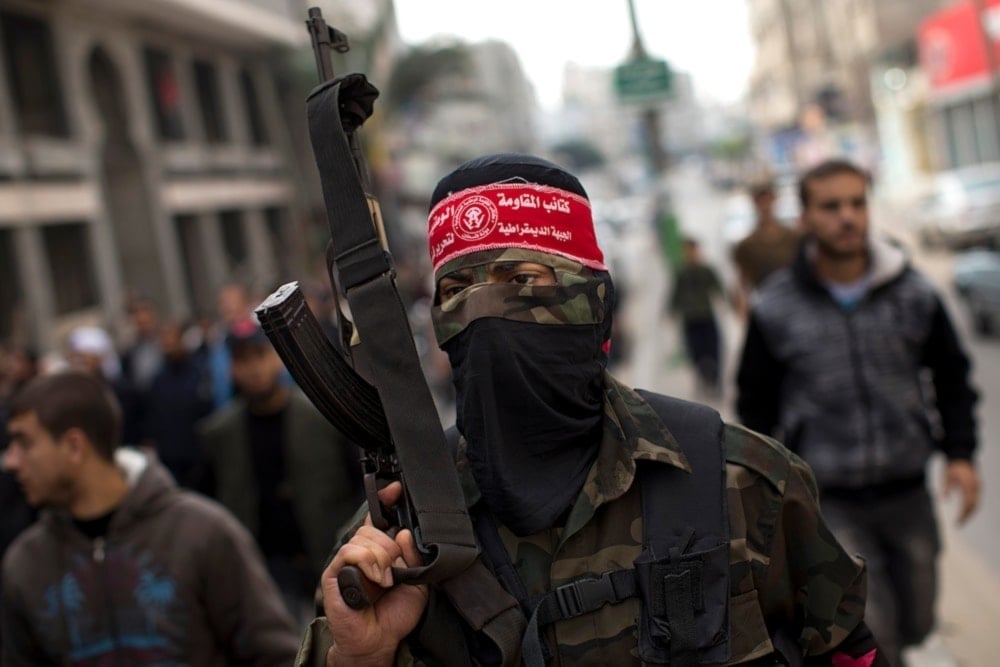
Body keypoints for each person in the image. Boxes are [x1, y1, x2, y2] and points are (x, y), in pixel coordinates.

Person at [298, 153, 887, 666]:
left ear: (594, 305)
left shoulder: (740, 481)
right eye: (457, 289)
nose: (483, 308)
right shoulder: (393, 543)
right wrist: (362, 655)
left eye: (522, 278)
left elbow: (846, 651)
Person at [735, 158, 981, 666]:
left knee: (917, 617)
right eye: (831, 206)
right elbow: (754, 406)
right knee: (873, 629)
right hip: (829, 503)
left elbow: (953, 379)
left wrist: (960, 454)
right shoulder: (776, 308)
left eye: (857, 203)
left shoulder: (913, 294)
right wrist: (768, 493)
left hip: (908, 489)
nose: (847, 217)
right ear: (804, 217)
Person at [1, 370, 300, 665]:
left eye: (23, 443)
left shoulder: (202, 533)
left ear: (74, 447)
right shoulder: (25, 565)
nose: (10, 461)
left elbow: (276, 655)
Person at [197, 318, 363, 625]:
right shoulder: (220, 434)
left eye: (259, 356)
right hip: (265, 567)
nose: (254, 369)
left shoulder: (321, 417)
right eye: (243, 361)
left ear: (276, 357)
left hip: (328, 556)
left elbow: (358, 484)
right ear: (231, 368)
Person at [142, 319, 214, 490]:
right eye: (164, 339)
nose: (168, 343)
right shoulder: (157, 381)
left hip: (202, 458)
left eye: (172, 338)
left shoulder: (201, 372)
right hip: (173, 462)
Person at [731, 177, 803, 318]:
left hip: (797, 304)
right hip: (768, 307)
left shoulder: (794, 237)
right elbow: (742, 283)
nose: (765, 205)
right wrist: (743, 315)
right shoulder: (747, 245)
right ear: (754, 202)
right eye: (760, 200)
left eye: (768, 199)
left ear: (775, 200)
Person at [668, 237, 727, 399]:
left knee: (713, 350)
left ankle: (715, 381)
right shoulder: (682, 273)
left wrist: (725, 302)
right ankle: (702, 379)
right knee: (695, 352)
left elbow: (718, 288)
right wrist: (671, 311)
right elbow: (675, 295)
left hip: (706, 317)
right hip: (690, 320)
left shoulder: (706, 270)